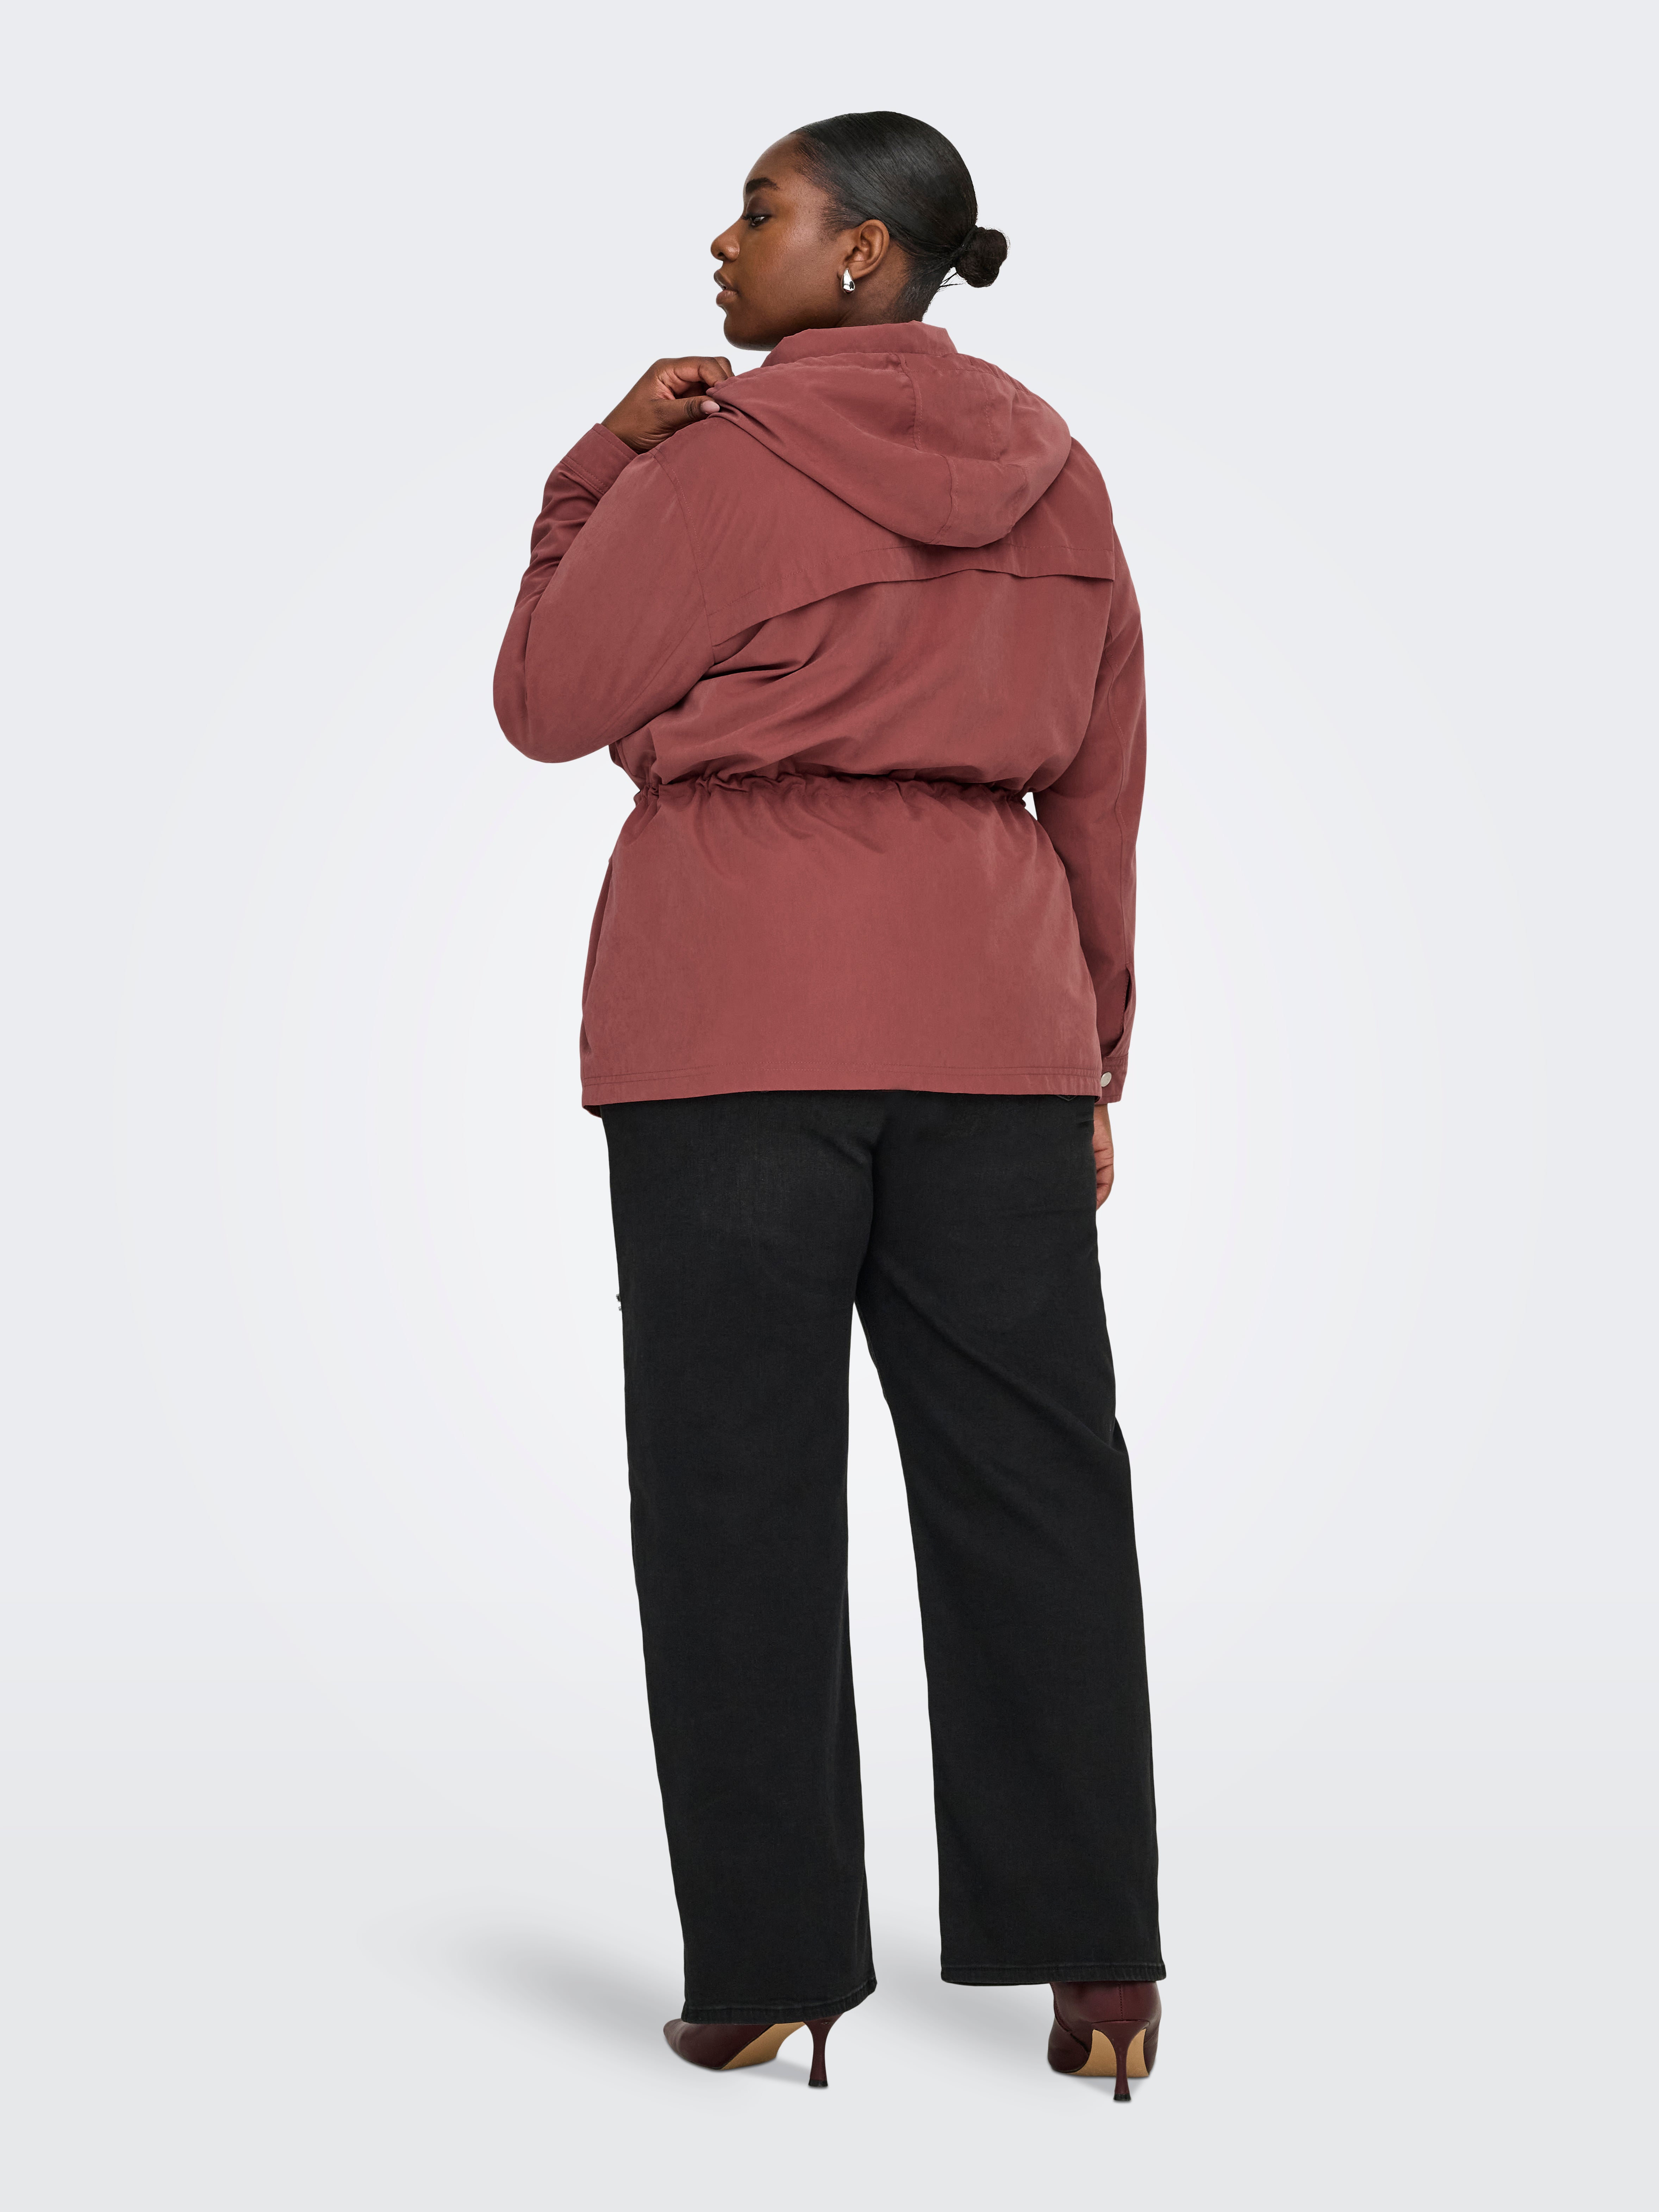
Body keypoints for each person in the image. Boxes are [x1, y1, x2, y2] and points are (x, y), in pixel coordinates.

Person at [493, 110, 1162, 2100]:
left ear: (863, 253)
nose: (725, 242)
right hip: (998, 1024)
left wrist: (600, 461)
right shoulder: (1064, 475)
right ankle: (1099, 1976)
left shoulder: (720, 459)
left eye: (762, 209)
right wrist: (1092, 1050)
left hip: (735, 1017)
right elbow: (1102, 782)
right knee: (1039, 1485)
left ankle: (773, 1972)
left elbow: (545, 698)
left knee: (736, 1491)